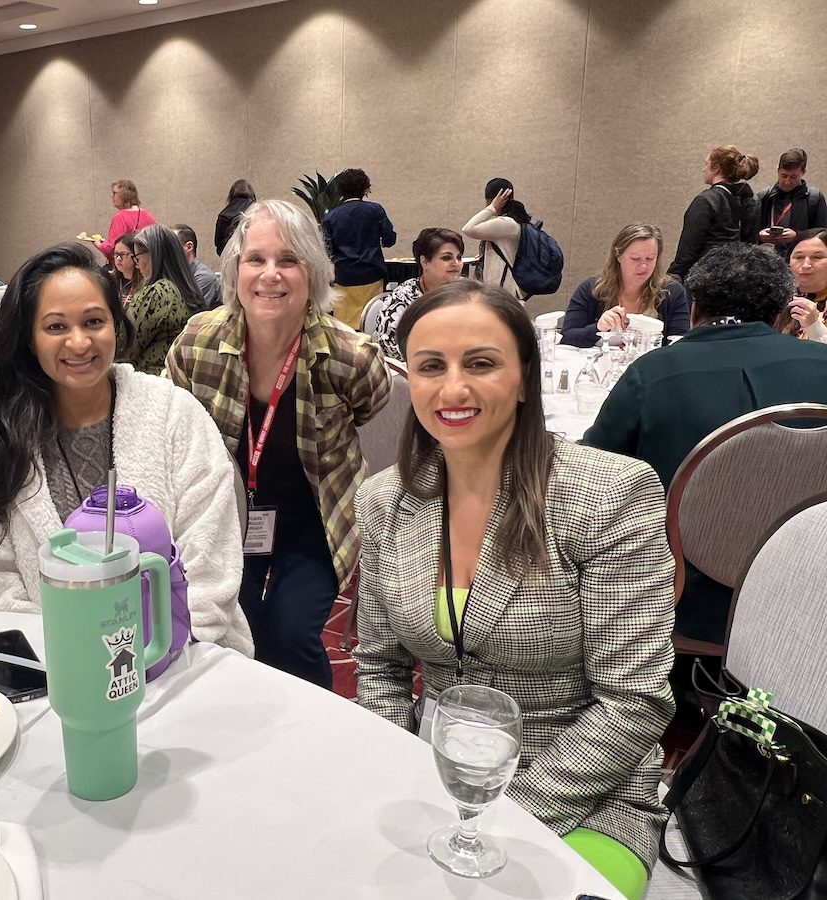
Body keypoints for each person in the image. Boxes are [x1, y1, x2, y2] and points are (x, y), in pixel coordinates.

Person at [353, 281, 674, 900]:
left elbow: (632, 704)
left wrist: (498, 813)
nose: (453, 389)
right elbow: (379, 670)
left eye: (480, 363)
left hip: (592, 792)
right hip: (435, 774)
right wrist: (394, 781)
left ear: (525, 377)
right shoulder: (384, 501)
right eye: (429, 367)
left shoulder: (607, 495)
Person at [0, 243, 252, 654]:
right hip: (53, 668)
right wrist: (77, 657)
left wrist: (152, 650)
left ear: (115, 326)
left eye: (93, 321)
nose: (80, 342)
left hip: (181, 659)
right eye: (55, 327)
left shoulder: (173, 414)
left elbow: (210, 562)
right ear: (29, 339)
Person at [167, 199, 391, 688]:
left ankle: (313, 732)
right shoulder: (196, 343)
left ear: (311, 273)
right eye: (256, 259)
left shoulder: (349, 356)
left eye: (288, 260)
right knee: (233, 627)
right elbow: (174, 425)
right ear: (235, 271)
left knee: (289, 634)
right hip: (225, 514)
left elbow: (371, 403)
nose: (271, 274)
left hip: (316, 518)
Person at [585, 242, 827, 642]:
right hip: (806, 593)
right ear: (781, 311)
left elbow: (595, 473)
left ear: (695, 307)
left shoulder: (652, 373)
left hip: (677, 600)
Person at [560, 224, 689, 347]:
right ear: (618, 255)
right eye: (635, 259)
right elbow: (567, 337)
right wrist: (597, 328)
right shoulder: (593, 289)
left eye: (650, 259)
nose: (643, 266)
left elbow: (680, 344)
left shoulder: (672, 292)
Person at [667, 145, 760, 282]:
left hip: (707, 279)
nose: (703, 169)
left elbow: (688, 250)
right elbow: (751, 244)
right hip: (739, 278)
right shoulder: (750, 201)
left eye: (706, 164)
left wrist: (671, 278)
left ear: (716, 168)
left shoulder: (705, 201)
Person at [120, 224, 201, 375]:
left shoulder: (157, 293)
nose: (137, 265)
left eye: (137, 257)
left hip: (150, 384)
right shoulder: (187, 288)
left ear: (153, 255)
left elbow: (124, 346)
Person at [373, 227, 465, 360]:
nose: (456, 263)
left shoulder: (465, 293)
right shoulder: (402, 299)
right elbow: (390, 349)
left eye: (459, 257)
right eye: (446, 258)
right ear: (425, 262)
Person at [321, 167, 396, 328]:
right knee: (372, 321)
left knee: (345, 327)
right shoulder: (375, 210)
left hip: (344, 278)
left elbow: (327, 250)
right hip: (372, 274)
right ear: (365, 188)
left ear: (339, 190)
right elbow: (390, 239)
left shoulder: (331, 217)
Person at [756, 149, 827, 259]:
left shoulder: (814, 198)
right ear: (778, 171)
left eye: (793, 177)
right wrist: (759, 236)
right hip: (767, 259)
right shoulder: (764, 196)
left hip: (801, 259)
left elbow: (823, 234)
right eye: (783, 176)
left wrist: (798, 236)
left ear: (803, 173)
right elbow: (746, 233)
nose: (787, 182)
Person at [774, 228, 827, 342]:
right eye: (799, 257)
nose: (806, 265)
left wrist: (814, 327)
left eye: (817, 257)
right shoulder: (776, 300)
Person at [95, 179, 156, 262]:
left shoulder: (120, 217)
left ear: (124, 195)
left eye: (114, 193)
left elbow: (112, 250)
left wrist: (99, 245)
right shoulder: (148, 215)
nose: (112, 197)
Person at [174, 223, 222, 310]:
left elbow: (189, 313)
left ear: (189, 247)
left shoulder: (204, 276)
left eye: (171, 246)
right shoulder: (178, 274)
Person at [214, 179, 256, 256]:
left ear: (231, 195)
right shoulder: (256, 212)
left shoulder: (223, 215)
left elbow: (218, 247)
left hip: (230, 260)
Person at [110, 232, 141, 304]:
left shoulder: (145, 283)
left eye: (122, 254)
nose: (118, 259)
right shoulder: (111, 280)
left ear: (136, 256)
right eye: (116, 254)